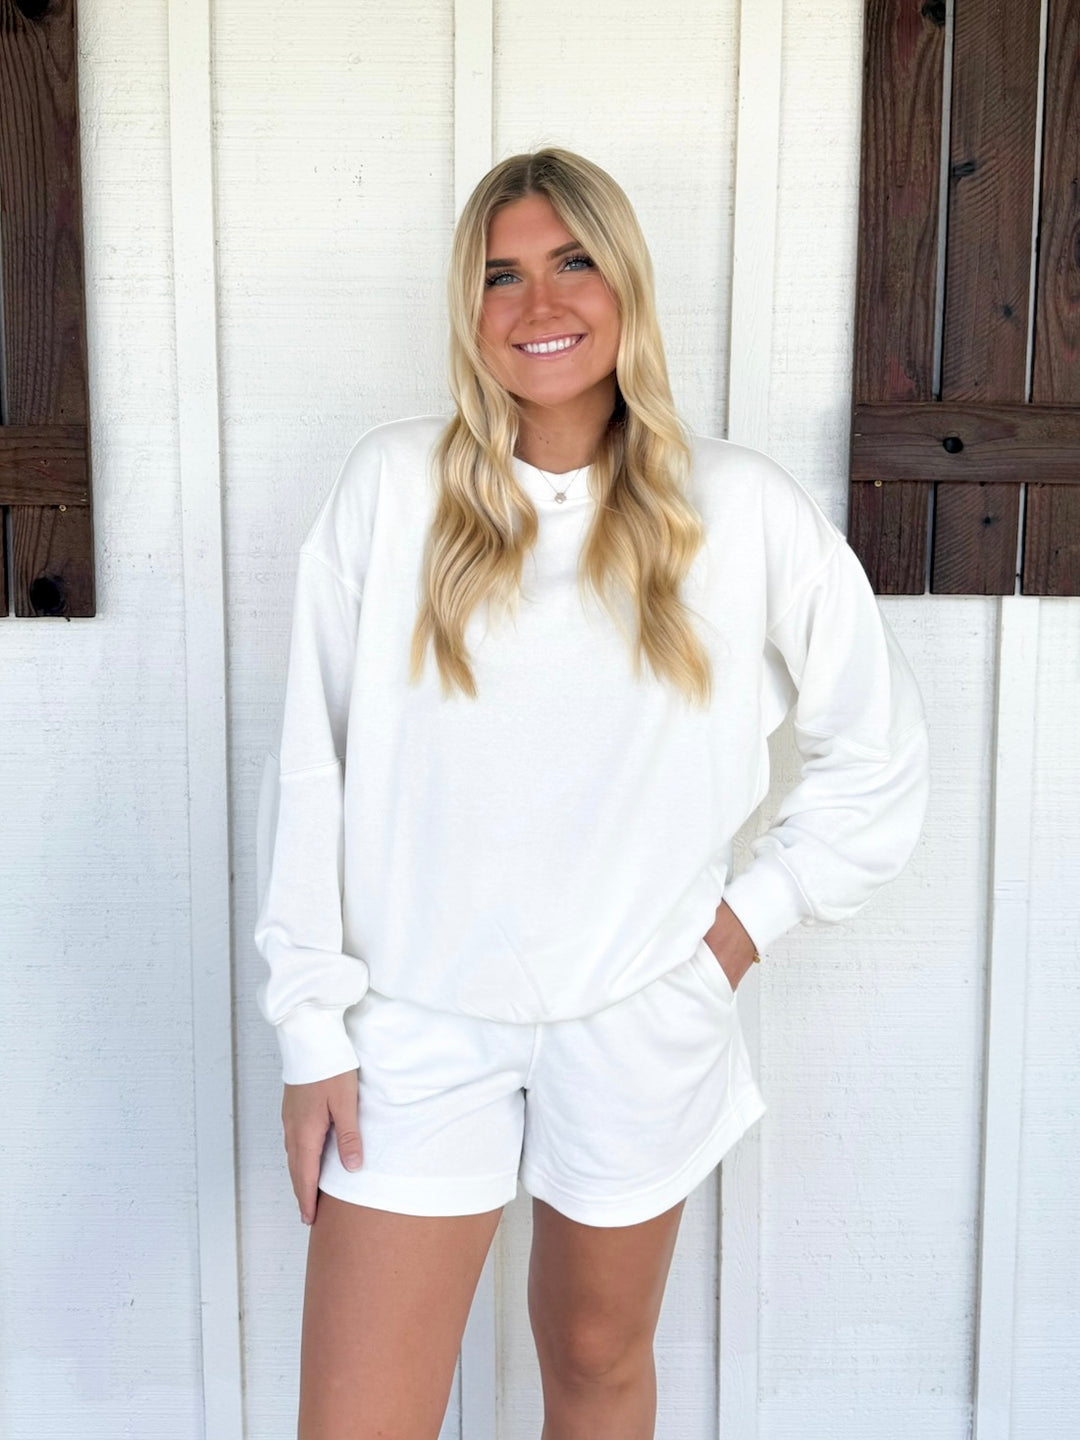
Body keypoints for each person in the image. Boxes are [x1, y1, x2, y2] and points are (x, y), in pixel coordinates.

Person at [253, 147, 930, 1440]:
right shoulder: (391, 491)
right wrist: (312, 1030)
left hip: (637, 1019)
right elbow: (312, 766)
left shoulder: (736, 509)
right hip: (413, 1027)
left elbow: (879, 750)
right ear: (467, 307)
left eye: (572, 263)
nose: (539, 303)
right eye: (499, 274)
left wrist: (737, 934)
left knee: (596, 1360)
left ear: (626, 284)